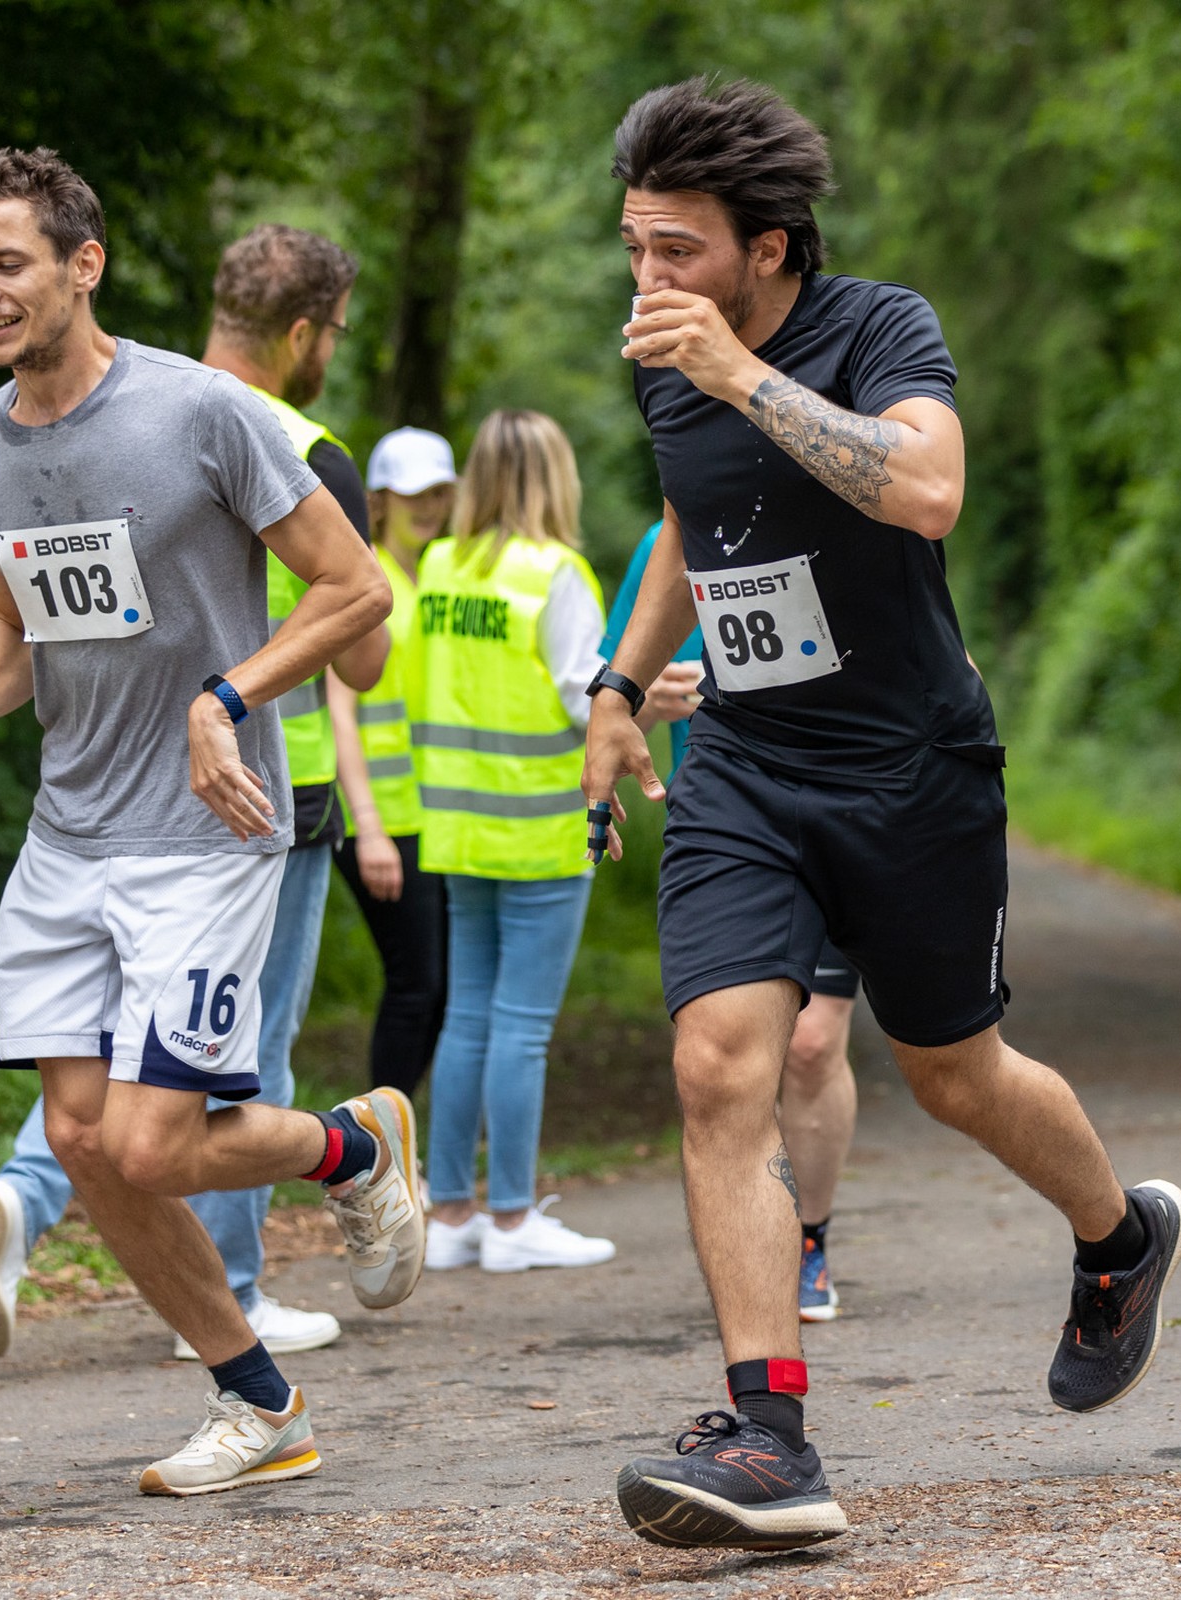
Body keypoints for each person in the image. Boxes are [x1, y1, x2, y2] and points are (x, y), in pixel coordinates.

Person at [587, 80, 1181, 1551]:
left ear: (770, 247)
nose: (649, 277)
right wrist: (621, 682)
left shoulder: (876, 328)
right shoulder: (668, 357)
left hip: (910, 768)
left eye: (679, 249)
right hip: (746, 761)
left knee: (954, 1074)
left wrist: (738, 374)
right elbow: (689, 522)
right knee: (722, 1066)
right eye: (636, 246)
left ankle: (1122, 1239)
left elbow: (925, 487)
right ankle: (770, 1436)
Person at [0, 147, 422, 1498]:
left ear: (84, 265)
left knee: (147, 1143)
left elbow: (356, 590)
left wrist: (225, 696)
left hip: (204, 833)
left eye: (8, 263)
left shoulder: (204, 412)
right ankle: (261, 1402)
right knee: (83, 1141)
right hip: (67, 835)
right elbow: (20, 630)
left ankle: (355, 1146)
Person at [599, 518, 855, 1322]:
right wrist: (647, 702)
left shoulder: (852, 518)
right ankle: (754, 1249)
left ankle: (809, 1239)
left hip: (845, 812)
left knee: (812, 1045)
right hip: (729, 833)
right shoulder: (667, 544)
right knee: (725, 1060)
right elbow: (612, 702)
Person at [412, 410, 620, 1274]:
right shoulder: (556, 572)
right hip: (538, 824)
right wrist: (645, 701)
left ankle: (450, 1213)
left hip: (457, 825)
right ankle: (510, 1219)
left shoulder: (438, 565)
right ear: (554, 479)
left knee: (468, 1015)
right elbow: (583, 697)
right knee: (522, 1028)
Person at [328, 426, 455, 1099]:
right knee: (416, 986)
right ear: (378, 501)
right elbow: (340, 710)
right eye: (412, 495)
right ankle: (379, 1139)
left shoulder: (442, 577)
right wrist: (369, 827)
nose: (426, 507)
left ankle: (395, 1129)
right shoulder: (365, 580)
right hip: (378, 818)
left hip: (434, 816)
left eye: (437, 493)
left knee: (440, 988)